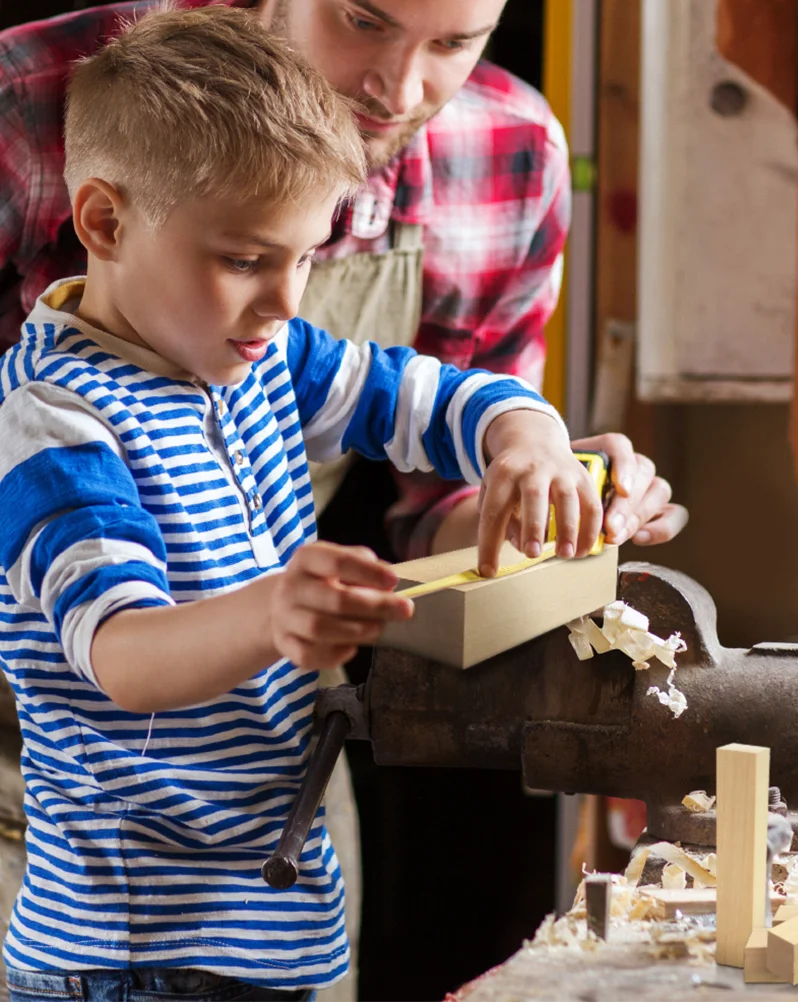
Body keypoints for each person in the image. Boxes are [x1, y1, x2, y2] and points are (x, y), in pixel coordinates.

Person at [0, 1, 688, 995]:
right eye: (245, 259)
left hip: (275, 854)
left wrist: (532, 451)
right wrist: (278, 610)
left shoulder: (265, 349)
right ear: (101, 222)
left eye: (306, 260)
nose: (286, 302)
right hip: (125, 916)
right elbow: (124, 657)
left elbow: (424, 402)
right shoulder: (58, 422)